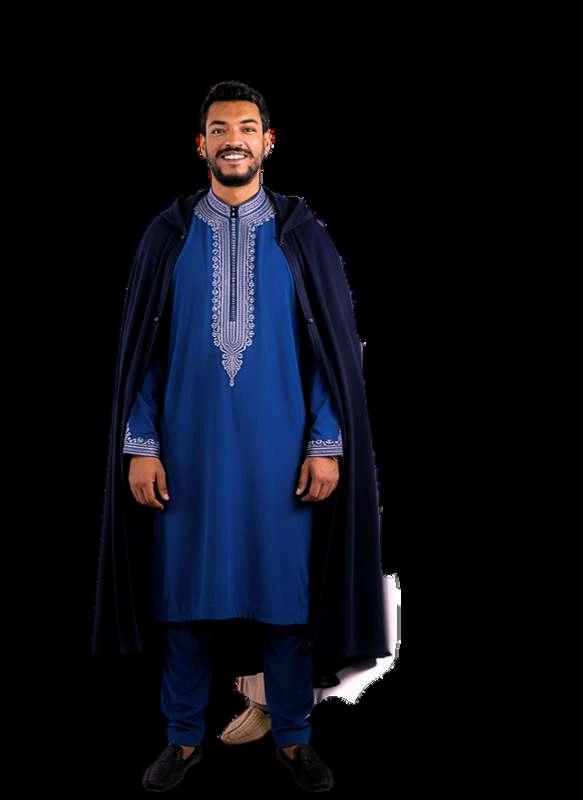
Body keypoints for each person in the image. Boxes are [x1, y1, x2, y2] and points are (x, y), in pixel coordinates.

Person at [92, 80, 388, 794]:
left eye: (247, 128)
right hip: (186, 457)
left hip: (281, 459)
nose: (234, 140)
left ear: (268, 142)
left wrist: (325, 443)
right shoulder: (166, 236)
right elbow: (139, 355)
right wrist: (141, 445)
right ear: (201, 145)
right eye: (220, 129)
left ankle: (292, 738)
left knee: (286, 605)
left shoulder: (302, 235)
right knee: (183, 605)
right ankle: (182, 738)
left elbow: (332, 356)